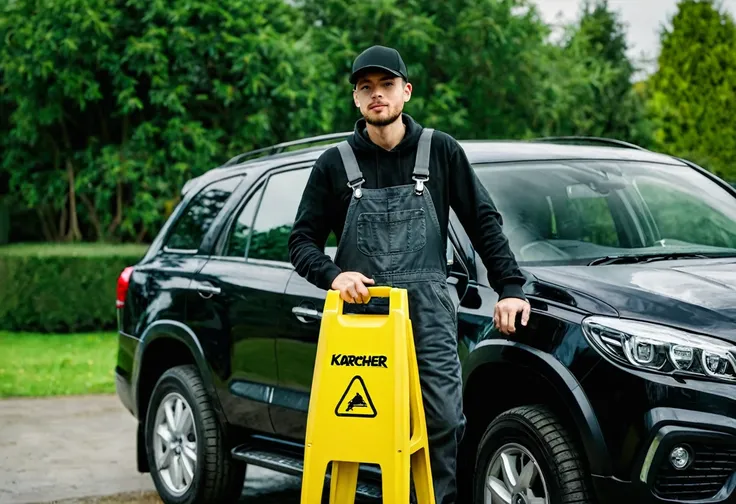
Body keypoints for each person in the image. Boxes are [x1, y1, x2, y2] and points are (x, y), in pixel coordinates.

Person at [288, 45, 530, 504]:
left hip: (428, 312)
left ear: (406, 91)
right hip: (362, 316)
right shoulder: (334, 164)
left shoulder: (440, 151)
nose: (376, 95)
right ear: (356, 100)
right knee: (360, 425)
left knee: (442, 420)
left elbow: (482, 221)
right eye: (366, 88)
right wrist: (334, 276)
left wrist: (511, 287)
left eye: (386, 85)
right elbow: (300, 242)